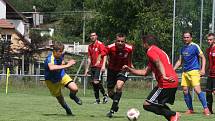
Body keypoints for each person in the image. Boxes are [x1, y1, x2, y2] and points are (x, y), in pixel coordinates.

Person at [123, 35, 180, 121]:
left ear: (146, 44)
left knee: (147, 105)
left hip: (166, 83)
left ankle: (173, 114)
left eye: (143, 44)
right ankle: (172, 118)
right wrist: (130, 69)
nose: (142, 46)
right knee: (158, 104)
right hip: (172, 81)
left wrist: (164, 75)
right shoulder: (158, 51)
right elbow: (145, 72)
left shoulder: (151, 50)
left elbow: (158, 62)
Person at [173, 31, 210, 115]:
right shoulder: (182, 48)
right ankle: (190, 109)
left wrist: (203, 69)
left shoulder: (195, 46)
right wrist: (173, 69)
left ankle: (206, 108)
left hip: (194, 71)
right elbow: (180, 61)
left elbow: (203, 58)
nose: (186, 39)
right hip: (185, 72)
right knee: (185, 91)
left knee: (197, 90)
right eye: (184, 37)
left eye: (187, 37)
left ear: (191, 38)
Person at [44, 41, 82, 116]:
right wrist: (68, 65)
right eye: (59, 52)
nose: (61, 53)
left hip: (61, 75)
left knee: (74, 89)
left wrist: (68, 62)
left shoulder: (61, 54)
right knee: (60, 99)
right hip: (51, 81)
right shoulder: (49, 58)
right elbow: (52, 67)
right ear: (54, 51)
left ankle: (73, 96)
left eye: (62, 51)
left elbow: (62, 61)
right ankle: (67, 109)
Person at [105, 33, 134, 118]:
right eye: (118, 41)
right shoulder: (110, 47)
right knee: (110, 93)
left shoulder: (129, 48)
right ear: (115, 41)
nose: (120, 43)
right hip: (111, 70)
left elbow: (130, 57)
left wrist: (130, 65)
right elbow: (104, 55)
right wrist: (104, 62)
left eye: (122, 41)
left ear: (125, 41)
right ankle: (116, 103)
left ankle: (112, 110)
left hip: (123, 70)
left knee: (119, 86)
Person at [84, 32, 108, 104]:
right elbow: (89, 58)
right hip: (93, 67)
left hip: (99, 66)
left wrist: (103, 65)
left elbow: (105, 55)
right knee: (94, 83)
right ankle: (98, 99)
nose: (92, 37)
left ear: (96, 36)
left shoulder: (100, 45)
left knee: (96, 81)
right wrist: (87, 69)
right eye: (91, 36)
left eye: (94, 35)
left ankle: (105, 95)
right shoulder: (90, 46)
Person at [206, 33, 215, 114]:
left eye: (210, 39)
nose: (209, 41)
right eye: (208, 40)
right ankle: (209, 109)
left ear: (214, 40)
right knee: (208, 92)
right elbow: (208, 62)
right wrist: (204, 70)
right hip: (210, 74)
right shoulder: (208, 49)